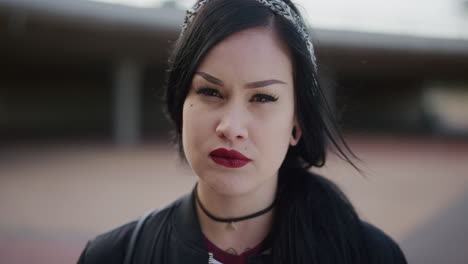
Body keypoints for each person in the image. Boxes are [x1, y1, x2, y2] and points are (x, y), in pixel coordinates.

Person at [78, 0, 407, 263]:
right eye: (210, 92)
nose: (231, 128)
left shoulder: (370, 254)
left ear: (297, 124)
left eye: (262, 97)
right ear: (180, 104)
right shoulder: (114, 255)